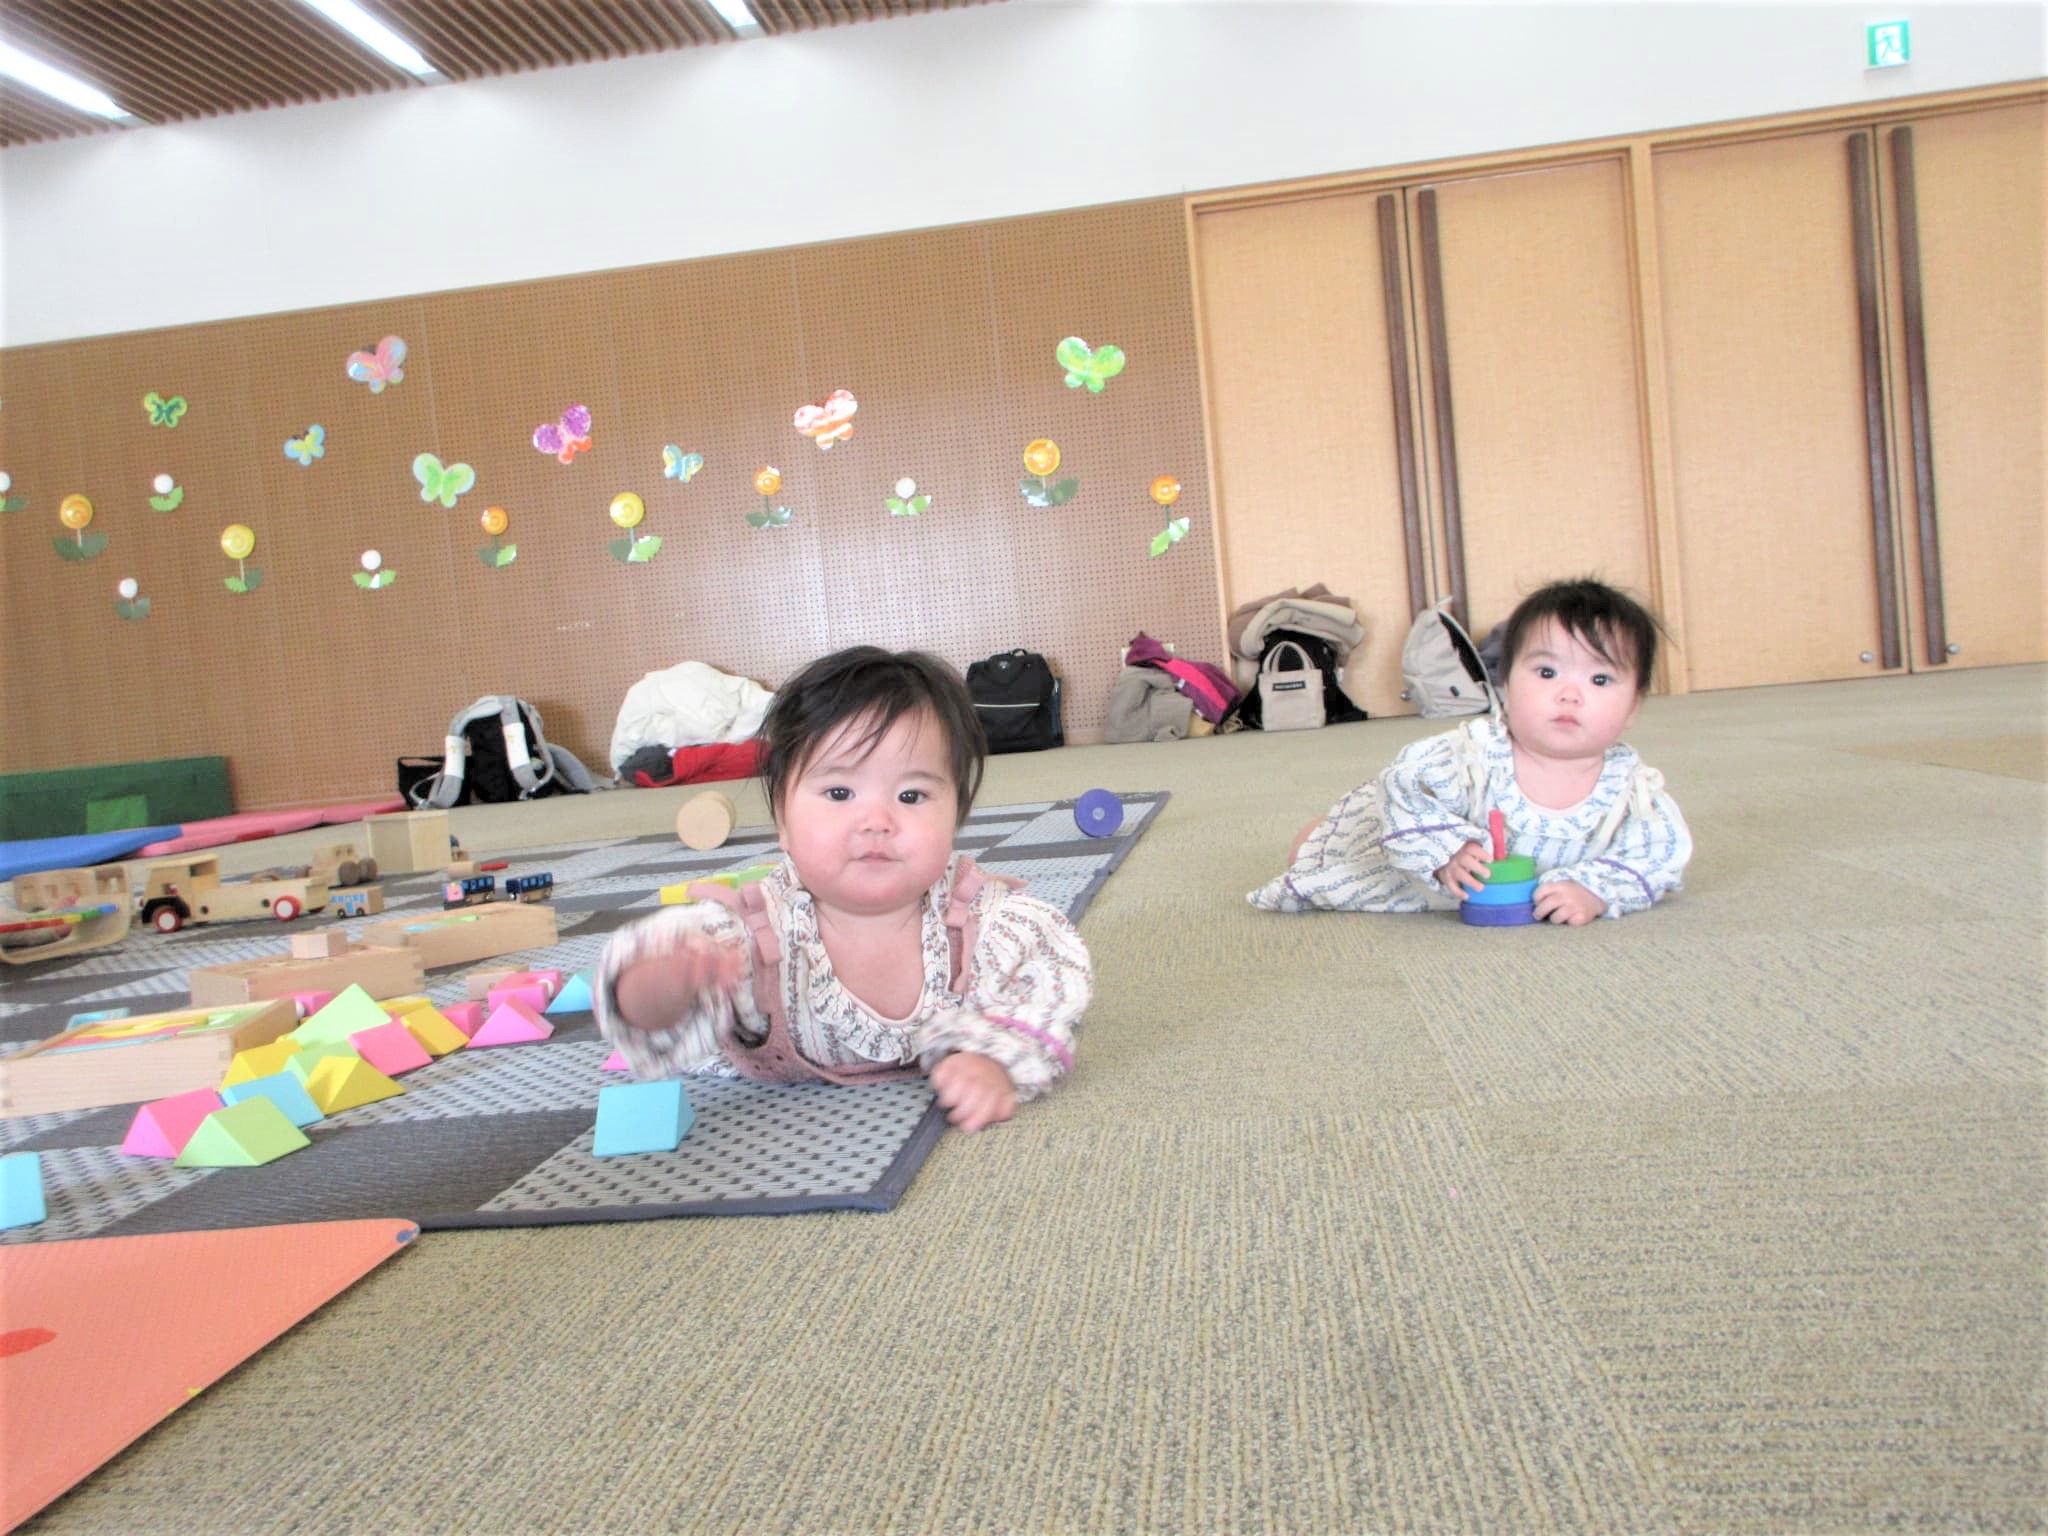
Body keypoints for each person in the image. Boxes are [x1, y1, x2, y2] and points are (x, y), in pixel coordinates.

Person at [595, 646, 1091, 1131]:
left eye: (911, 795)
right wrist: (670, 980)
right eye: (839, 793)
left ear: (957, 817)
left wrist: (996, 1060)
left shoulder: (981, 922)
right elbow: (648, 1013)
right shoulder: (750, 931)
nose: (876, 820)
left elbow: (1046, 992)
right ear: (783, 821)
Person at [1248, 578, 1691, 923]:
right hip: (1427, 869)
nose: (1570, 694)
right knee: (1318, 857)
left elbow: (1656, 857)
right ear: (1505, 683)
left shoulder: (1632, 792)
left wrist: (1596, 890)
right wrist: (1446, 852)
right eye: (1546, 672)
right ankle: (1327, 832)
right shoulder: (1472, 757)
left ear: (1634, 706)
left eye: (1600, 679)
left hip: (1507, 893)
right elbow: (1405, 786)